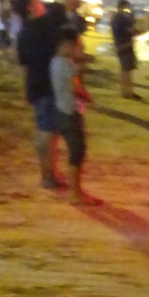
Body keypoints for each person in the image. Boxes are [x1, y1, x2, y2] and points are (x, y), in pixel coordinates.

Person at [17, 1, 68, 189]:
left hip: (35, 84)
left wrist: (26, 88)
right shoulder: (52, 28)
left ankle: (48, 171)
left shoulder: (26, 30)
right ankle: (47, 176)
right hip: (50, 85)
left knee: (42, 130)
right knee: (49, 132)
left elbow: (23, 64)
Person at [51, 26, 100, 206]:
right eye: (76, 46)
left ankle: (76, 191)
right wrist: (87, 97)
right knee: (77, 151)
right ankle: (75, 193)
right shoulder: (66, 64)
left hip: (60, 110)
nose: (78, 49)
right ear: (67, 45)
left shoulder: (56, 61)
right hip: (69, 112)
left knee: (75, 150)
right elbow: (74, 88)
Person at [110, 0, 141, 100]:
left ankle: (125, 91)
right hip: (125, 45)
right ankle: (128, 92)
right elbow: (130, 30)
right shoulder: (121, 18)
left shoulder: (115, 18)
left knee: (124, 69)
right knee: (127, 69)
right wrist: (139, 32)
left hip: (120, 45)